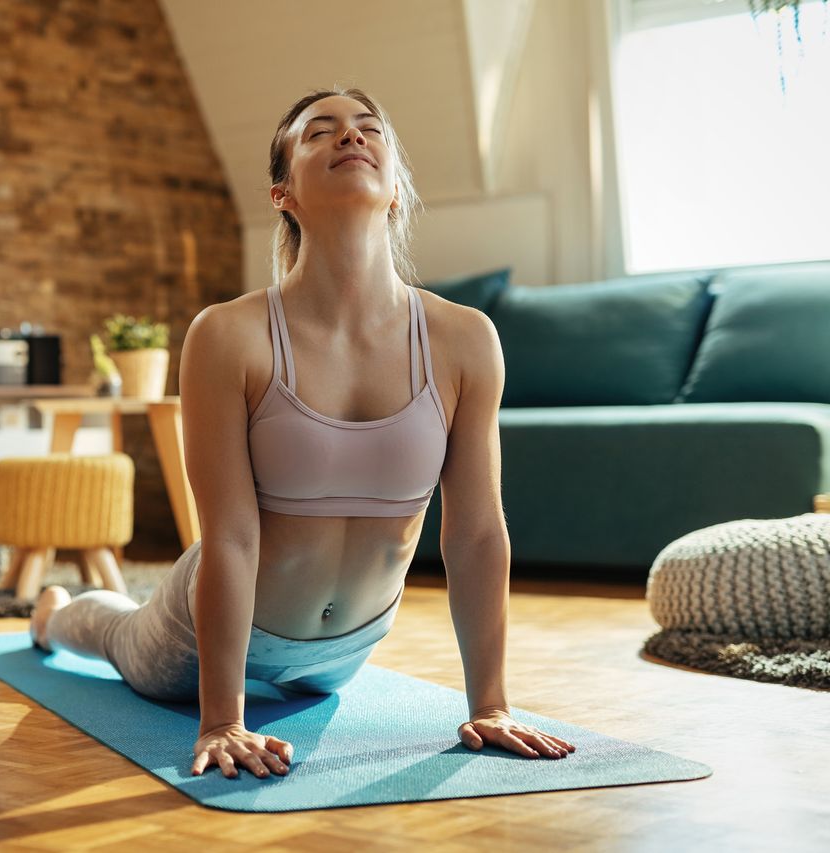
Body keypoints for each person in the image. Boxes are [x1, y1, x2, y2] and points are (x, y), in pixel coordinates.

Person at [31, 86, 577, 779]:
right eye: (321, 132)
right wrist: (223, 717)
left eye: (368, 128)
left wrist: (491, 703)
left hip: (345, 653)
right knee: (117, 637)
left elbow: (475, 531)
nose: (350, 137)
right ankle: (53, 614)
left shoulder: (465, 339)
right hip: (211, 630)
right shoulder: (229, 334)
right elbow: (228, 533)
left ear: (397, 189)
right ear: (281, 192)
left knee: (312, 675)